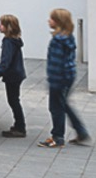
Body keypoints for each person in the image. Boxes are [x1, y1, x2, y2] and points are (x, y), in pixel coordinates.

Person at [39, 8, 92, 149]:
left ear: (58, 22)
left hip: (59, 78)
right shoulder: (68, 37)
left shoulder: (57, 40)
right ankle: (81, 131)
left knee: (56, 107)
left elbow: (56, 62)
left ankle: (57, 137)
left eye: (51, 19)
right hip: (68, 75)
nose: (48, 21)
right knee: (63, 104)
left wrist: (54, 81)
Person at [0, 14, 27, 137]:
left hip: (13, 75)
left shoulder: (8, 42)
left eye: (2, 24)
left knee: (13, 101)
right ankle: (19, 125)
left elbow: (6, 60)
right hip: (17, 73)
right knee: (14, 100)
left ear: (8, 27)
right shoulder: (15, 40)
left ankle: (20, 127)